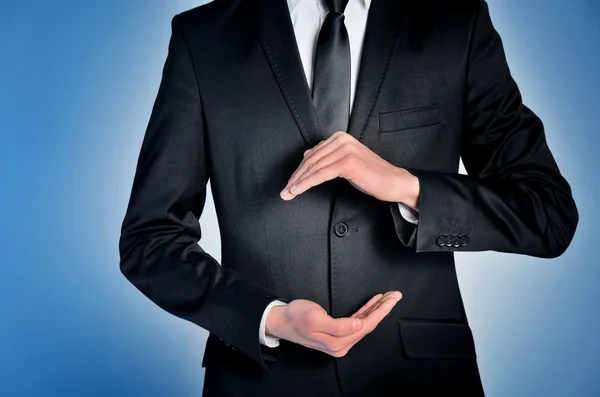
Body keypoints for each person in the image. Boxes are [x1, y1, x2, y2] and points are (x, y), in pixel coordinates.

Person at [118, 0, 579, 395]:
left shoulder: (456, 22)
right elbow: (150, 240)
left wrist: (405, 186)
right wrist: (269, 318)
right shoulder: (204, 37)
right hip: (259, 380)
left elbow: (547, 212)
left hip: (421, 379)